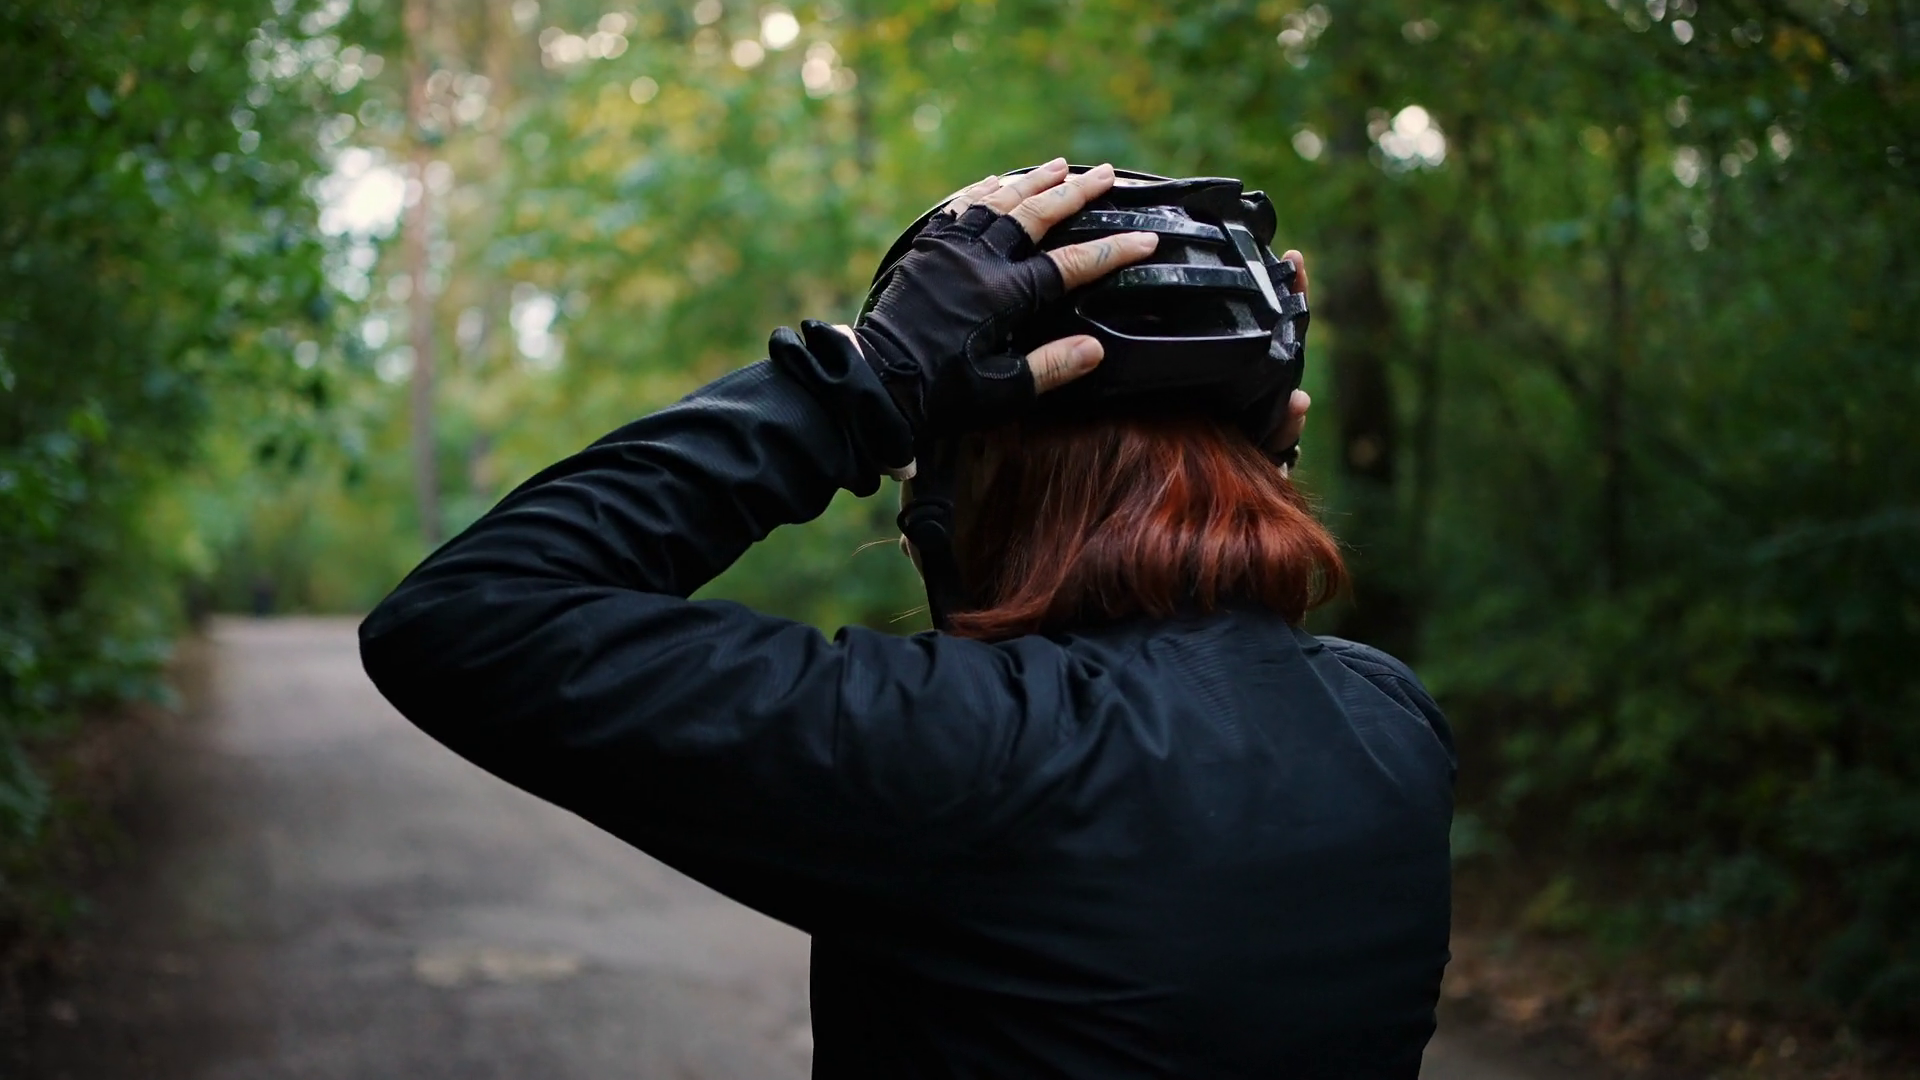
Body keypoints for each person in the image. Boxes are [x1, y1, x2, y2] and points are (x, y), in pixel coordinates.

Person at [360, 158, 1455, 1078]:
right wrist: (1226, 480)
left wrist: (865, 382)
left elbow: (470, 615)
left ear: (980, 470)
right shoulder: (1389, 725)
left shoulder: (986, 752)